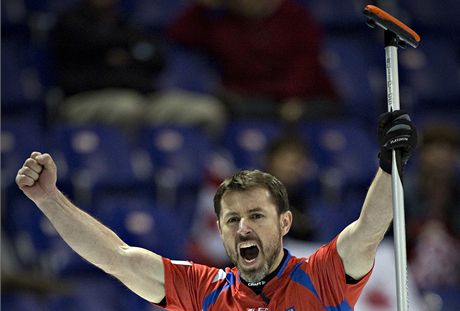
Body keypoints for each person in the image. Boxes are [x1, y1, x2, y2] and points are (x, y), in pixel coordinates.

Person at [15, 110, 416, 310]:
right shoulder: (204, 291)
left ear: (285, 222)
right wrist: (49, 199)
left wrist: (388, 166)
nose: (243, 228)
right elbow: (117, 258)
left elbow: (369, 229)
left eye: (256, 216)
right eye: (232, 219)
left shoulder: (322, 277)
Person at [52, 0, 226, 137]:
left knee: (210, 110)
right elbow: (89, 51)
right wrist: (126, 50)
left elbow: (157, 57)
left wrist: (122, 53)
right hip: (84, 99)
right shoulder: (70, 22)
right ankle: (129, 167)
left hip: (143, 97)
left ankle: (206, 173)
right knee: (129, 107)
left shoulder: (126, 22)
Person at [168, 0, 341, 122]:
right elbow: (179, 33)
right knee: (226, 107)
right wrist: (200, 7)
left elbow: (306, 62)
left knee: (326, 109)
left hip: (301, 99)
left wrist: (292, 97)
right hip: (248, 100)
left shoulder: (294, 15)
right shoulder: (222, 23)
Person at [405, 124, 460, 290]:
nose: (441, 157)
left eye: (447, 150)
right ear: (422, 155)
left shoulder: (456, 193)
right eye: (436, 149)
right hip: (409, 263)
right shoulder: (404, 191)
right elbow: (389, 239)